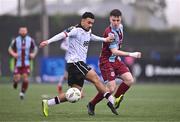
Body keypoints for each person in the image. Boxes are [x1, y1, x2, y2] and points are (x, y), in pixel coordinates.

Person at [40, 12, 118, 117]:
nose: (90, 25)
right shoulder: (74, 30)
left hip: (76, 65)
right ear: (82, 20)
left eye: (92, 23)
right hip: (75, 62)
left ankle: (47, 103)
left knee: (75, 93)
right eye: (89, 22)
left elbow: (91, 36)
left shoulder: (88, 30)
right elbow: (61, 35)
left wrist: (104, 39)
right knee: (95, 78)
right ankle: (112, 99)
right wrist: (48, 41)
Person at [87, 9, 142, 115]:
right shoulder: (110, 33)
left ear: (120, 19)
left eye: (118, 20)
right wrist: (132, 54)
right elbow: (114, 51)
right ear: (110, 19)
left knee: (129, 80)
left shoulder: (121, 27)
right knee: (111, 88)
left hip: (116, 60)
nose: (116, 22)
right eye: (114, 20)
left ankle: (114, 100)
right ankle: (92, 104)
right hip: (106, 61)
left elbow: (117, 48)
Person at [8, 27, 38, 100]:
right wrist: (13, 54)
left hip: (26, 63)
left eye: (24, 31)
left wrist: (33, 54)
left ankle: (22, 92)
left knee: (25, 79)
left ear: (27, 31)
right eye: (22, 31)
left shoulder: (30, 40)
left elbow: (35, 48)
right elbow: (9, 48)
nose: (23, 32)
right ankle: (15, 83)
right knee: (17, 79)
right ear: (19, 32)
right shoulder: (16, 40)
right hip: (17, 63)